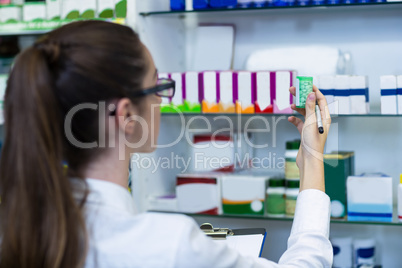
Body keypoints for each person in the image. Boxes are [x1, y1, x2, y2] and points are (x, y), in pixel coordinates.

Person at [0, 20, 332, 268]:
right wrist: (313, 160)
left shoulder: (19, 227)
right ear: (127, 115)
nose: (163, 99)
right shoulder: (168, 246)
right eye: (156, 86)